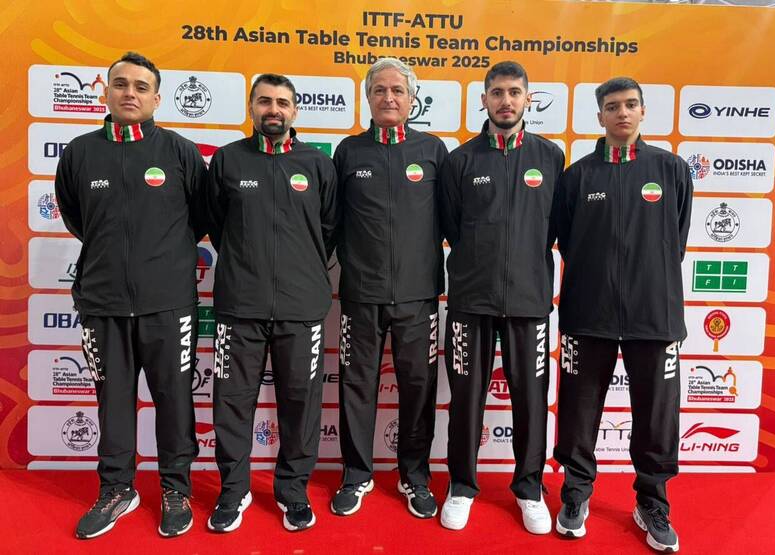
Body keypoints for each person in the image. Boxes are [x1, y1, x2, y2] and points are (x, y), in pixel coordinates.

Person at [55, 51, 205, 539]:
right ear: (106, 92)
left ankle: (175, 488)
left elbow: (202, 218)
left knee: (175, 401)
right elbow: (77, 217)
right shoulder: (79, 153)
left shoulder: (180, 152)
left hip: (169, 304)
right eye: (121, 84)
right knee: (113, 401)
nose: (130, 93)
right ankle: (117, 489)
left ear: (157, 99)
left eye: (141, 87)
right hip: (103, 303)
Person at [553, 76, 692, 553]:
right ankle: (575, 493)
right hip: (587, 312)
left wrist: (645, 280)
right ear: (600, 116)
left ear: (643, 111)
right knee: (578, 410)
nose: (622, 113)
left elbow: (675, 240)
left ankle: (652, 501)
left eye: (631, 104)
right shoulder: (577, 176)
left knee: (656, 414)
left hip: (654, 315)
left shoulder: (671, 169)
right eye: (612, 106)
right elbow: (567, 240)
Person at [204, 73, 337, 532]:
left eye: (282, 102)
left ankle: (292, 490)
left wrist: (300, 271)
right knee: (232, 403)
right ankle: (233, 490)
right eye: (264, 101)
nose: (273, 109)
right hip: (239, 306)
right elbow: (217, 225)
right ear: (251, 107)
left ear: (295, 110)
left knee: (301, 404)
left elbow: (329, 230)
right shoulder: (227, 160)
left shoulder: (317, 164)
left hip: (303, 308)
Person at [439, 61, 564, 533]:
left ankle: (530, 488)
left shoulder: (550, 157)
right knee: (466, 398)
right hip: (471, 300)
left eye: (514, 92)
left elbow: (555, 228)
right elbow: (452, 226)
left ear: (528, 98)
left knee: (530, 399)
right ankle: (461, 486)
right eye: (497, 92)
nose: (505, 101)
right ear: (484, 100)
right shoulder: (461, 160)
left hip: (529, 301)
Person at [331, 57, 447, 519]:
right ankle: (356, 474)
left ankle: (414, 476)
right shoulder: (348, 151)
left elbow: (451, 219)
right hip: (361, 294)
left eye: (398, 90)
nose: (389, 97)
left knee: (418, 387)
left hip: (419, 296)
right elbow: (333, 221)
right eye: (379, 90)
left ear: (412, 98)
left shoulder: (433, 150)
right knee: (357, 386)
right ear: (367, 97)